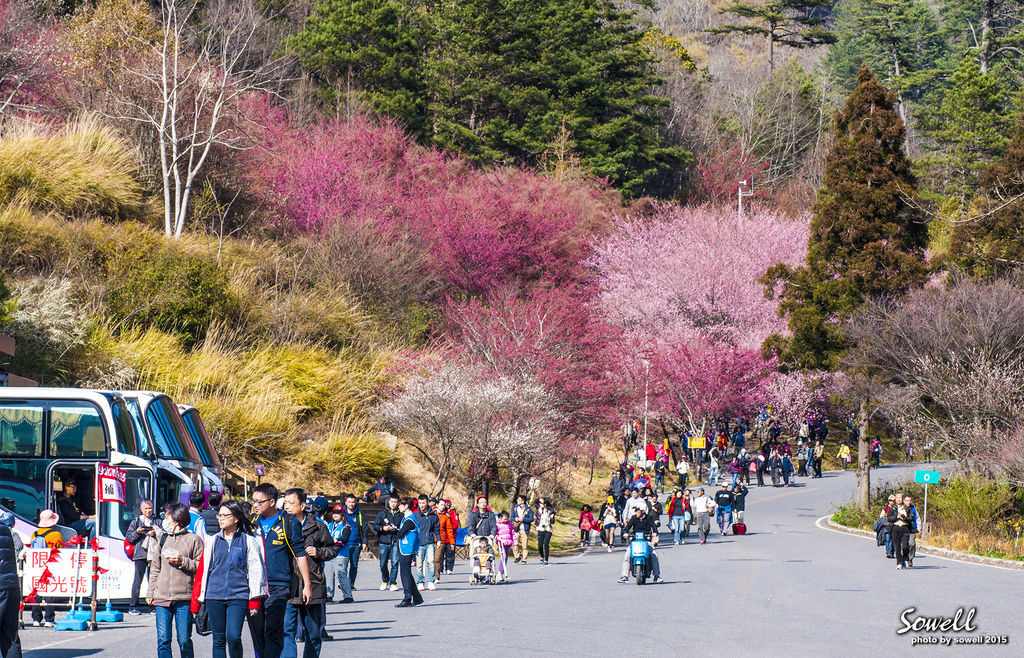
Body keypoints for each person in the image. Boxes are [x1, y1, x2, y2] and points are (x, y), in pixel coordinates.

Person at [192, 500, 266, 658]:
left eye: (225, 515)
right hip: (213, 596)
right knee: (218, 640)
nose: (220, 518)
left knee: (233, 637)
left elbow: (256, 572)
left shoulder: (249, 541)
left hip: (238, 596)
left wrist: (254, 602)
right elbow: (202, 573)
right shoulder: (212, 541)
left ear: (236, 518)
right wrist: (196, 602)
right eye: (219, 515)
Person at [249, 483, 312, 658]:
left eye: (259, 502)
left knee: (273, 630)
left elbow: (300, 555)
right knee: (257, 632)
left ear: (272, 502)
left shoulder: (289, 522)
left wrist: (307, 585)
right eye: (253, 501)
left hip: (279, 585)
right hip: (254, 586)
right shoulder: (251, 522)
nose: (255, 505)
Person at [281, 488, 337, 658]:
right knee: (286, 631)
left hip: (313, 584)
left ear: (303, 505)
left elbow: (333, 549)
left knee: (313, 634)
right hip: (288, 585)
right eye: (285, 503)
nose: (287, 507)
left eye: (291, 503)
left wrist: (319, 552)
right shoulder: (281, 525)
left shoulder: (318, 526)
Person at [147, 503, 204, 658]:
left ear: (177, 518)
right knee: (163, 640)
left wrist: (183, 561)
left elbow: (201, 567)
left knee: (184, 639)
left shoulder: (194, 540)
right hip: (162, 596)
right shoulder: (163, 538)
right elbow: (155, 567)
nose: (164, 519)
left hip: (184, 598)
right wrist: (150, 592)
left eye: (167, 516)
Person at [28, 511, 64, 627]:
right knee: (50, 591)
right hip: (51, 567)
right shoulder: (56, 535)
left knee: (36, 591)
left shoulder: (34, 534)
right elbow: (61, 550)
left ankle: (36, 619)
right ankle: (49, 619)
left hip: (37, 566)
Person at [126, 499, 157, 615]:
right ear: (141, 509)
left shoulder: (158, 521)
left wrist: (155, 533)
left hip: (154, 555)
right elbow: (129, 538)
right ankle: (133, 606)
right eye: (146, 509)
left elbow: (164, 535)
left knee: (153, 581)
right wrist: (137, 532)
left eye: (150, 508)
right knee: (137, 581)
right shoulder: (136, 522)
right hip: (140, 554)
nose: (148, 511)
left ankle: (153, 606)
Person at [616, 506, 662, 584]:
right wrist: (625, 533)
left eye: (638, 511)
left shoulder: (649, 518)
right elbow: (627, 527)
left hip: (646, 541)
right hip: (635, 541)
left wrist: (654, 532)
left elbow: (654, 527)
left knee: (654, 555)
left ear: (643, 511)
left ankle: (656, 576)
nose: (636, 512)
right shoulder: (634, 518)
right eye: (636, 511)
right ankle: (624, 576)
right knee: (627, 555)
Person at [394, 498, 423, 608]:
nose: (399, 507)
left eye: (401, 505)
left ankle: (407, 597)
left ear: (406, 506)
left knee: (405, 574)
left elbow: (400, 534)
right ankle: (417, 597)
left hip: (407, 549)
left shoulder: (409, 519)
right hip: (405, 548)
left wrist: (396, 530)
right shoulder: (406, 518)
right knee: (407, 574)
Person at [371, 497, 402, 591]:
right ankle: (385, 580)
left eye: (395, 502)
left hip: (395, 541)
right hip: (384, 541)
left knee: (395, 563)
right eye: (392, 502)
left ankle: (393, 582)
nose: (393, 504)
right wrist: (383, 528)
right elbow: (375, 526)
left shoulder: (400, 515)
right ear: (388, 502)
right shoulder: (382, 513)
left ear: (398, 503)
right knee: (382, 563)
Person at [325, 505, 354, 600]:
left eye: (338, 513)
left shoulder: (346, 526)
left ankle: (348, 596)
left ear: (342, 515)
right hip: (330, 554)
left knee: (341, 575)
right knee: (328, 575)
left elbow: (344, 539)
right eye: (334, 513)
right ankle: (329, 595)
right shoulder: (330, 525)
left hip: (341, 554)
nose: (335, 515)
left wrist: (335, 540)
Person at [340, 494, 365, 591]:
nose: (351, 504)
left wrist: (364, 542)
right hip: (344, 544)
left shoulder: (359, 513)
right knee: (343, 564)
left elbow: (364, 528)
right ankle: (343, 582)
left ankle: (351, 583)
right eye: (349, 502)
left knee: (354, 565)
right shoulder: (342, 513)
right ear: (346, 502)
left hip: (356, 543)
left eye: (353, 502)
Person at [413, 494, 437, 591]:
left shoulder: (433, 515)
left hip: (430, 541)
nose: (422, 505)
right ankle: (420, 582)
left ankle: (430, 581)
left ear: (427, 503)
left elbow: (437, 528)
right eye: (420, 503)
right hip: (419, 543)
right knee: (419, 563)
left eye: (423, 503)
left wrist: (438, 539)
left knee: (431, 562)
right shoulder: (415, 515)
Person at [888, 494, 916, 569]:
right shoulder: (892, 508)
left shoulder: (907, 508)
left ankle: (905, 558)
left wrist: (904, 518)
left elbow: (911, 518)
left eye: (900, 498)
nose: (898, 499)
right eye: (897, 498)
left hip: (905, 528)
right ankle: (899, 563)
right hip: (895, 528)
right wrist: (896, 517)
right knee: (897, 547)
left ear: (902, 499)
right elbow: (888, 518)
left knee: (905, 546)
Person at [510, 495, 534, 564]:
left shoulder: (528, 509)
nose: (517, 501)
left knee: (524, 545)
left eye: (519, 500)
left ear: (523, 501)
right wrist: (515, 519)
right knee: (514, 543)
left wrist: (523, 519)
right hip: (516, 529)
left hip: (524, 529)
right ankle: (517, 556)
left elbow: (531, 518)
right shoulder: (515, 507)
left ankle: (524, 559)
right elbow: (511, 517)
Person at [435, 499, 455, 579]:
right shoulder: (432, 514)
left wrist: (452, 543)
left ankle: (436, 576)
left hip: (441, 540)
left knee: (437, 558)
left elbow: (450, 530)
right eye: (441, 504)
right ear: (437, 505)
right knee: (430, 560)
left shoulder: (446, 517)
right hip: (430, 539)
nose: (443, 506)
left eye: (444, 505)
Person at [494, 512, 515, 582]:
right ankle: (499, 573)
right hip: (501, 543)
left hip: (508, 543)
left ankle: (501, 573)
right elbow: (495, 533)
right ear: (500, 517)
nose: (506, 520)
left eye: (507, 518)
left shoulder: (509, 524)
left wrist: (514, 541)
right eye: (504, 518)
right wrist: (497, 538)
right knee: (503, 557)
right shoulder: (497, 525)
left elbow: (512, 533)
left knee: (505, 558)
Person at [534, 498, 555, 564]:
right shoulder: (539, 510)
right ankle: (542, 556)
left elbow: (553, 521)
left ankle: (546, 559)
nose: (540, 504)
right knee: (540, 546)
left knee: (546, 544)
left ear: (545, 504)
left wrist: (550, 519)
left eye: (542, 503)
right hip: (540, 528)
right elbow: (535, 501)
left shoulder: (550, 511)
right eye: (540, 503)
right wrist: (540, 499)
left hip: (548, 529)